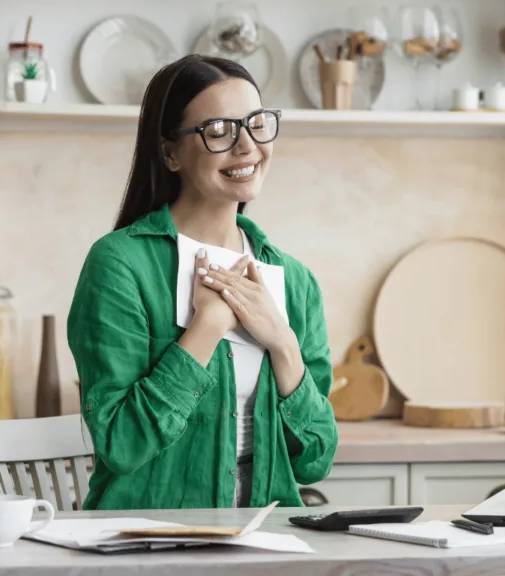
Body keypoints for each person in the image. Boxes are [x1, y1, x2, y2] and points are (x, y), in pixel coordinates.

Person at [66, 54, 338, 510]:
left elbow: (315, 460)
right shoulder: (119, 264)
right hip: (145, 538)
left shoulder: (295, 281)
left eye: (256, 124)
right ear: (170, 153)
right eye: (219, 131)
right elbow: (121, 444)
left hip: (261, 538)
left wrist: (282, 343)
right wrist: (207, 326)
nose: (247, 146)